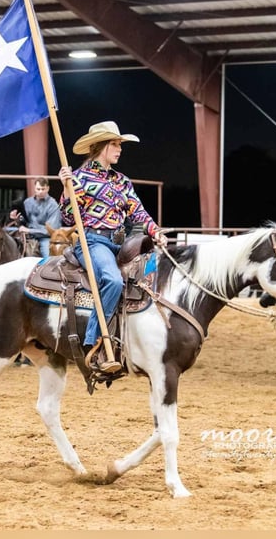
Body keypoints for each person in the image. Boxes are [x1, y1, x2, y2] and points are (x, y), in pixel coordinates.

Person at [58, 120, 167, 377]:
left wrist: (155, 231)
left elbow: (137, 212)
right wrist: (65, 189)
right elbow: (68, 218)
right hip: (94, 241)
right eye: (115, 144)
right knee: (113, 281)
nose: (120, 149)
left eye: (120, 144)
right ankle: (94, 340)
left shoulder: (121, 180)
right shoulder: (79, 178)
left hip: (120, 243)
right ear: (101, 147)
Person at [9, 177, 62, 258]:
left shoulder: (53, 205)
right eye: (38, 189)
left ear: (48, 188)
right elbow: (24, 221)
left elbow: (51, 230)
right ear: (34, 188)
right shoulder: (27, 202)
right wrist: (16, 219)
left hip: (45, 238)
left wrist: (29, 230)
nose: (40, 191)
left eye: (43, 189)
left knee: (48, 258)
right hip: (27, 236)